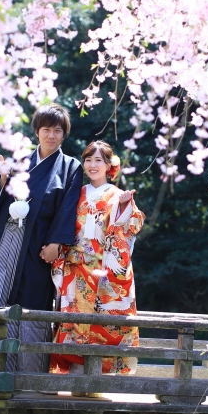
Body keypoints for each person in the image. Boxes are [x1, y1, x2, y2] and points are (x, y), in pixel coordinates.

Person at [0, 103, 83, 372]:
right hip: (7, 239)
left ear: (64, 134)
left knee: (33, 300)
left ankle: (29, 374)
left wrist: (56, 242)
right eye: (46, 129)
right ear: (37, 132)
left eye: (57, 130)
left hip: (38, 244)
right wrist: (2, 180)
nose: (51, 135)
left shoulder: (70, 167)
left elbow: (68, 207)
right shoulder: (19, 161)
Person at [50, 140, 145, 376]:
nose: (92, 165)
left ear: (109, 165)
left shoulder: (118, 195)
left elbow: (131, 227)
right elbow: (63, 222)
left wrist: (124, 208)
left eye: (98, 160)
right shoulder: (77, 192)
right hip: (76, 267)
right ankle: (73, 376)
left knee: (102, 321)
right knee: (73, 320)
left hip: (104, 270)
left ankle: (96, 380)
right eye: (88, 160)